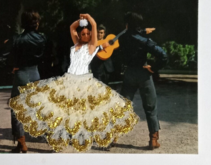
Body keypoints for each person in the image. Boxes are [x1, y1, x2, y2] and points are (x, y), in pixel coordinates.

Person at [9, 13, 139, 153]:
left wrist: (89, 18)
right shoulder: (76, 44)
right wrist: (80, 20)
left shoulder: (92, 47)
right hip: (69, 81)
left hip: (84, 82)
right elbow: (72, 27)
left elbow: (94, 26)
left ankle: (92, 138)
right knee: (64, 112)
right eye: (84, 33)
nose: (87, 35)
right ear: (79, 35)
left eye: (89, 34)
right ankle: (60, 142)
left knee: (88, 111)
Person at [118, 12, 168, 150]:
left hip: (129, 73)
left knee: (123, 106)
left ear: (127, 24)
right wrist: (154, 67)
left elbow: (131, 34)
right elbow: (163, 55)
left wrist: (142, 30)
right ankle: (153, 139)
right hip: (144, 73)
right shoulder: (145, 40)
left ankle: (111, 136)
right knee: (150, 107)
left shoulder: (122, 38)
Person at [9, 9, 47, 153]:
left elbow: (3, 56)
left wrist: (12, 67)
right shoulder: (42, 38)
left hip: (21, 74)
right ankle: (52, 135)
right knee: (38, 107)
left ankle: (21, 142)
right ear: (36, 23)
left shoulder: (16, 39)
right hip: (35, 73)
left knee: (16, 108)